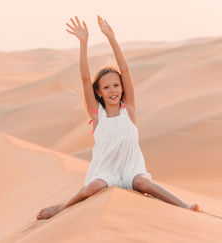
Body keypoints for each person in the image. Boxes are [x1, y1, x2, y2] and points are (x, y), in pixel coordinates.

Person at [36, 15, 199, 220]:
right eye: (106, 87)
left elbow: (125, 70)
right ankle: (62, 208)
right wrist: (84, 43)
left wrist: (111, 37)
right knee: (93, 187)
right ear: (98, 92)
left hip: (131, 168)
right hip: (106, 171)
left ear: (122, 87)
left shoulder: (128, 109)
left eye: (116, 85)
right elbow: (86, 78)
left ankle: (183, 205)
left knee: (143, 183)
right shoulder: (97, 115)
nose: (112, 90)